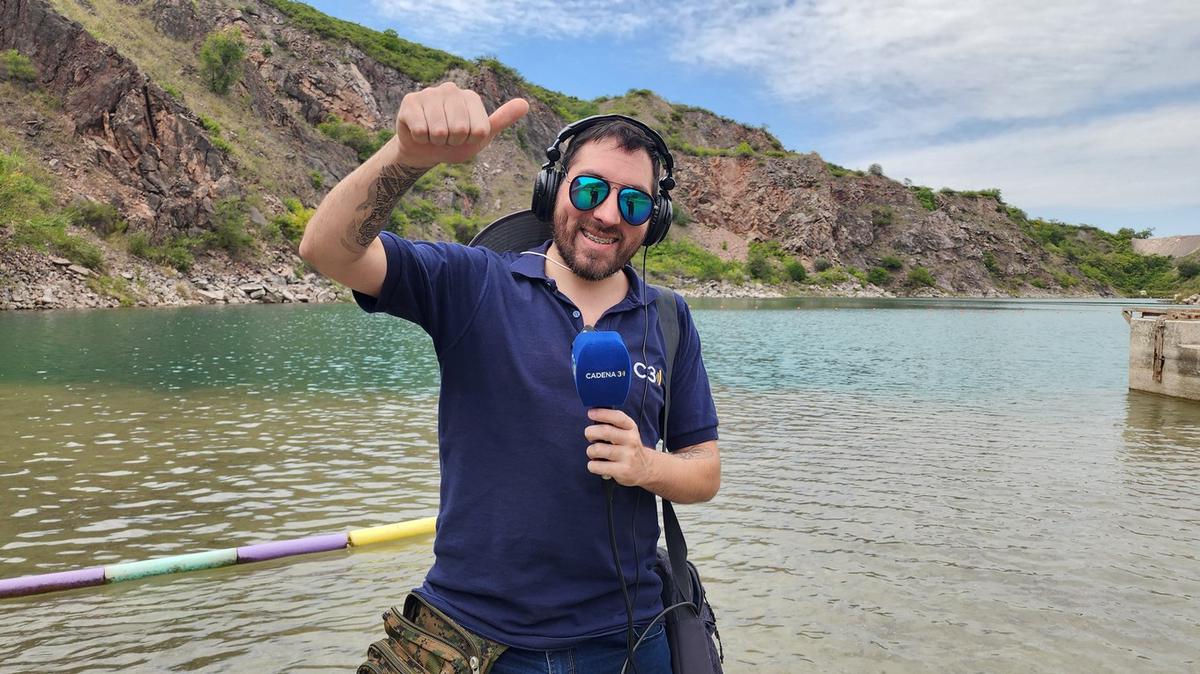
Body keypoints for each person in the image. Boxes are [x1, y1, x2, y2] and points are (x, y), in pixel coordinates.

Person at [299, 82, 721, 674]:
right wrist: (408, 156)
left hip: (632, 638)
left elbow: (704, 472)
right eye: (591, 189)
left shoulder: (670, 320)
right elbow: (327, 250)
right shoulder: (473, 283)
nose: (606, 214)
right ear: (553, 190)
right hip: (475, 641)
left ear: (654, 221)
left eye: (632, 203)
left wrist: (645, 464)